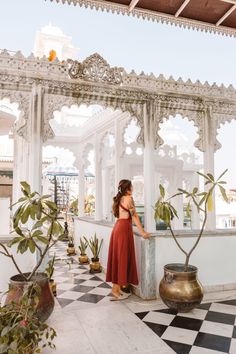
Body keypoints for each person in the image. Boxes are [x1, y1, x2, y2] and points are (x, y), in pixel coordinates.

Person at [106, 179, 150, 301]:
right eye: (132, 186)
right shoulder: (128, 199)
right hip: (123, 229)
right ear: (128, 188)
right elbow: (135, 216)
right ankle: (115, 290)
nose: (133, 188)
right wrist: (143, 232)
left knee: (118, 258)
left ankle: (118, 289)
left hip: (118, 228)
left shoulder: (119, 198)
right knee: (122, 258)